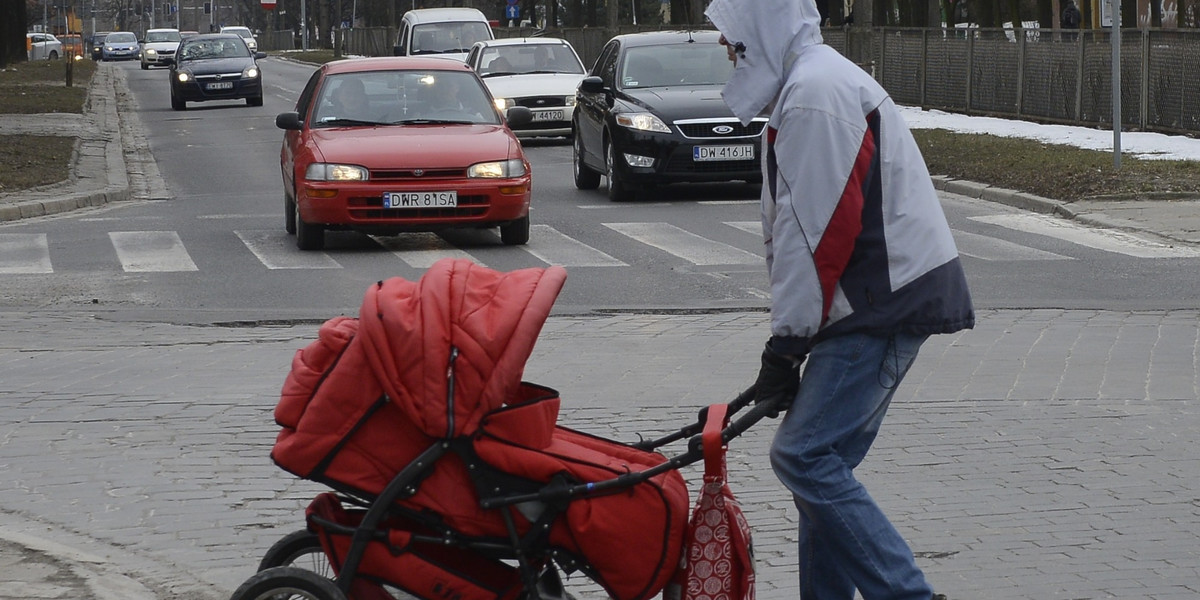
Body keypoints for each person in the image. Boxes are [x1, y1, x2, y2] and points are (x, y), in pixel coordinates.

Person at [704, 0, 975, 599]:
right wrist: (792, 344)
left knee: (803, 458)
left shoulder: (813, 96)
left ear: (762, 28)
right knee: (820, 472)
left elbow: (815, 237)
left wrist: (786, 346)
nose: (726, 48)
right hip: (877, 302)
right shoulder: (811, 86)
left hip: (878, 308)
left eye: (732, 35)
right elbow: (809, 234)